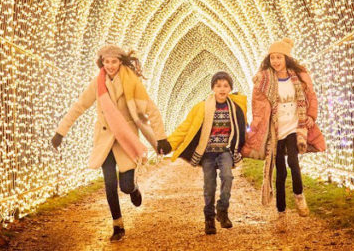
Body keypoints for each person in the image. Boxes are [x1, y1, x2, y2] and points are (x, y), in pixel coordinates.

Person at [51, 45, 172, 241]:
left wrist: (161, 137)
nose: (110, 66)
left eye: (114, 61)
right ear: (102, 63)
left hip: (126, 139)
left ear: (120, 62)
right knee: (109, 183)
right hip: (105, 139)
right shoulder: (98, 84)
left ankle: (133, 189)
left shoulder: (132, 82)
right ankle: (118, 225)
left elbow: (151, 109)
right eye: (106, 62)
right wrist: (60, 132)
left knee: (124, 186)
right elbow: (79, 106)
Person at [242, 39, 325, 218]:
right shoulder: (265, 80)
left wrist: (310, 115)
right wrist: (259, 124)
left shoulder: (299, 77)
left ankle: (299, 195)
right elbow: (258, 105)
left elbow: (311, 95)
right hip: (276, 130)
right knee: (280, 170)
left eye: (279, 57)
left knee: (294, 162)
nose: (276, 61)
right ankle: (281, 211)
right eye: (272, 58)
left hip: (295, 126)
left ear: (286, 58)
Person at [166, 71, 247, 234]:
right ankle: (209, 218)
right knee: (209, 186)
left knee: (227, 177)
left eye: (225, 86)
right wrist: (169, 144)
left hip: (225, 151)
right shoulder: (202, 107)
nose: (222, 89)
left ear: (230, 88)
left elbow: (242, 130)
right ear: (213, 88)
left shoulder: (236, 108)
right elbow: (186, 127)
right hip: (208, 152)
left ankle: (222, 210)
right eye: (218, 86)